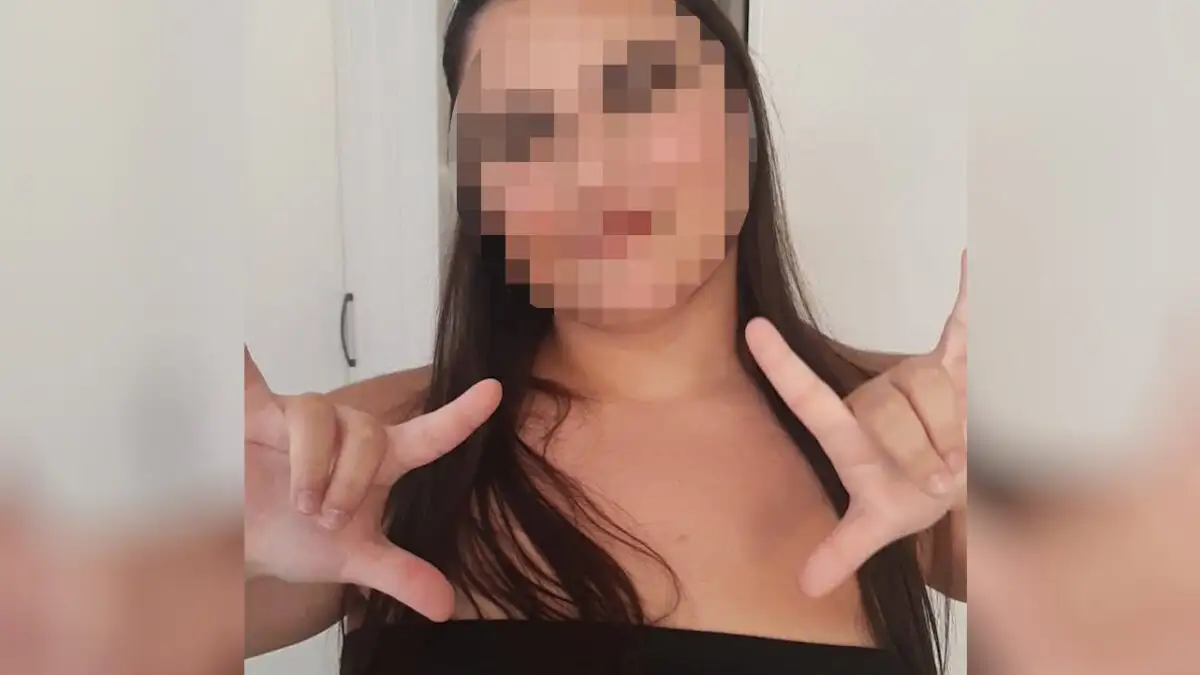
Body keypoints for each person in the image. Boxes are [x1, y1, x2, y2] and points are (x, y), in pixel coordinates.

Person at [245, 0, 967, 673]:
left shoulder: (920, 432)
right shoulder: (363, 453)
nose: (591, 168)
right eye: (522, 126)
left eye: (643, 95)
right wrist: (225, 544)